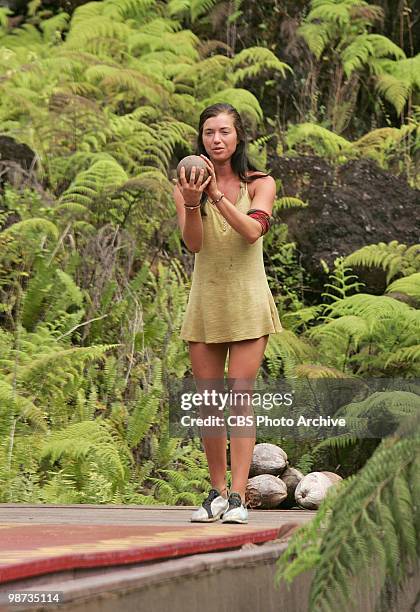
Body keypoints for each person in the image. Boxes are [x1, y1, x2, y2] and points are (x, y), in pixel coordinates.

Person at [173, 103, 283, 524]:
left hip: (247, 301)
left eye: (224, 132)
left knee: (238, 398)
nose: (215, 139)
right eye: (207, 133)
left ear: (238, 137)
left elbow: (253, 231)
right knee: (208, 402)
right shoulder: (187, 182)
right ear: (200, 139)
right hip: (207, 301)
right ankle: (216, 491)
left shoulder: (260, 183)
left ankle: (239, 496)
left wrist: (216, 196)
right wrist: (192, 202)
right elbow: (195, 244)